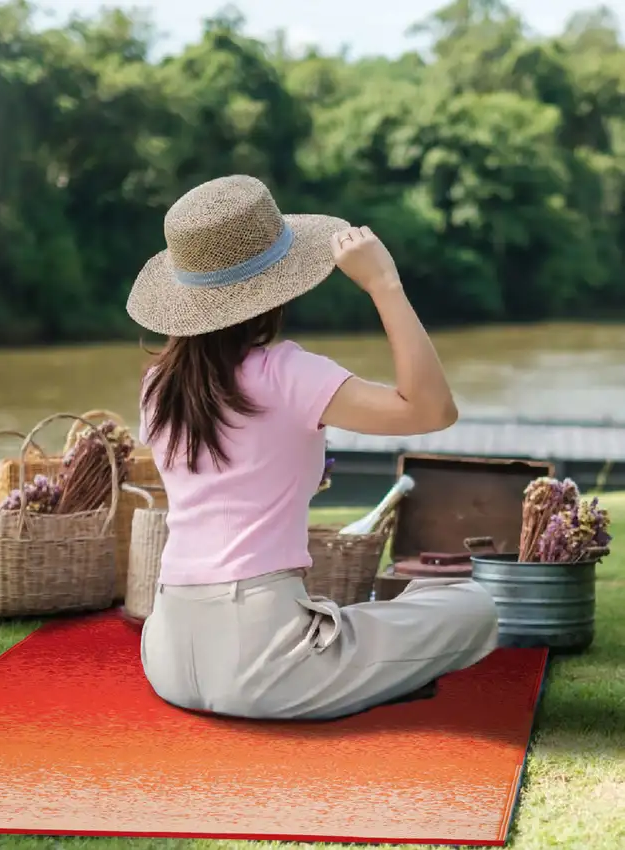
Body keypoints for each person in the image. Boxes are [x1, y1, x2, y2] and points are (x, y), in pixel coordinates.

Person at [125, 174, 499, 721]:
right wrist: (384, 285)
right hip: (263, 661)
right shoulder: (287, 372)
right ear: (275, 291)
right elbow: (433, 410)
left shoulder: (156, 386)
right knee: (474, 605)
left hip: (167, 654)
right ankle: (363, 672)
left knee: (397, 608)